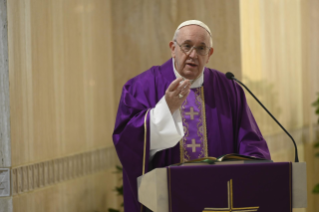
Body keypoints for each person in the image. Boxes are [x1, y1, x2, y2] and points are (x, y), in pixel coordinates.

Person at [113, 20, 270, 212]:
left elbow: (250, 140)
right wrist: (166, 110)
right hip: (167, 202)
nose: (193, 55)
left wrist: (254, 170)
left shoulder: (229, 89)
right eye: (187, 46)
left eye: (201, 48)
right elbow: (127, 140)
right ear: (173, 48)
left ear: (209, 54)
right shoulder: (141, 87)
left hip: (219, 202)